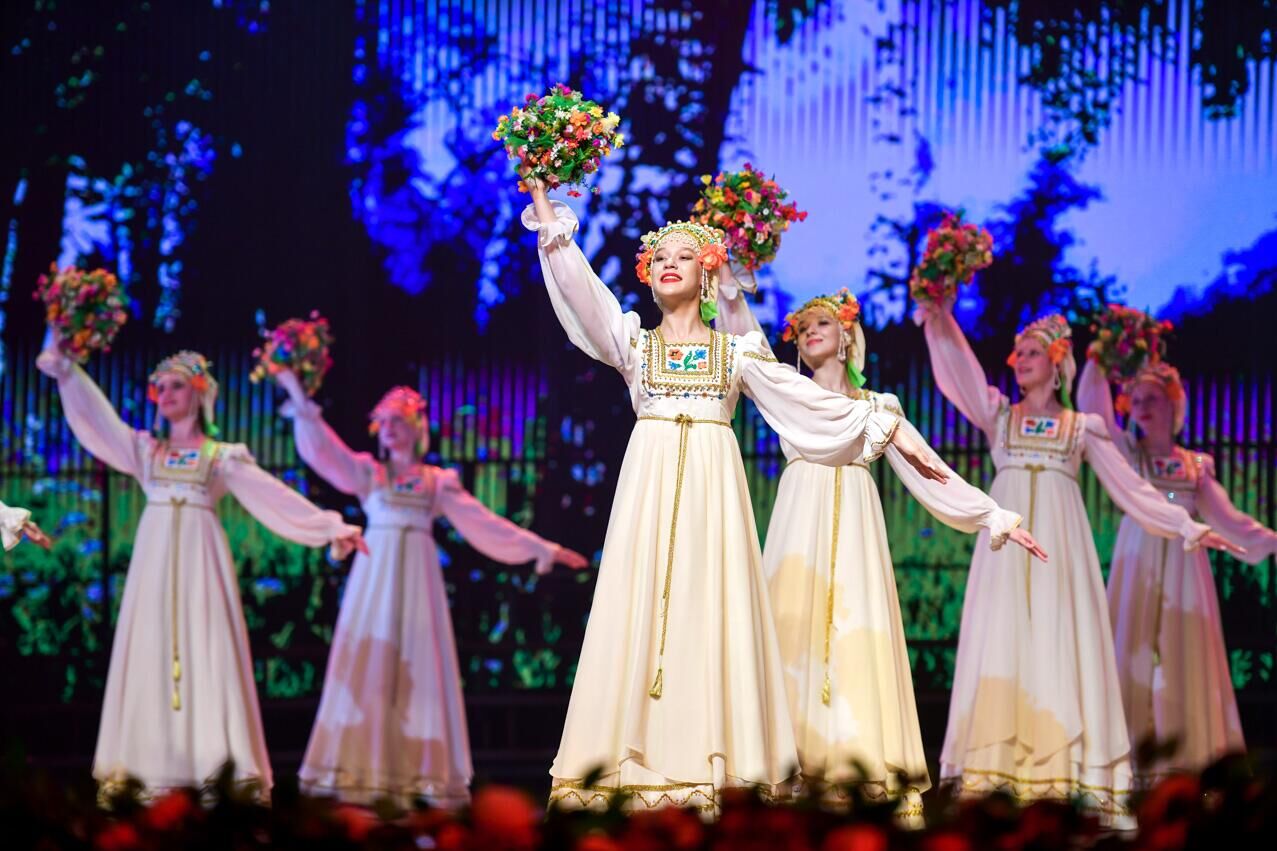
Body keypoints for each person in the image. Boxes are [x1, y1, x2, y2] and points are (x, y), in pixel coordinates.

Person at [524, 178, 949, 813]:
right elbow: (582, 290)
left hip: (712, 502)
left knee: (711, 611)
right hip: (647, 497)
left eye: (684, 256)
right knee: (637, 608)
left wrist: (892, 432)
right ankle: (628, 768)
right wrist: (543, 203)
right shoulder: (634, 344)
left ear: (707, 274)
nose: (669, 263)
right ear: (647, 276)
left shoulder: (737, 353)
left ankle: (710, 766)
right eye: (659, 257)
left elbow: (806, 401)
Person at [716, 282, 1046, 822]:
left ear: (847, 336)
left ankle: (860, 772)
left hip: (855, 528)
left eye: (823, 323)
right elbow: (744, 339)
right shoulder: (788, 391)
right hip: (798, 522)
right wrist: (730, 287)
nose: (810, 332)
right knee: (790, 634)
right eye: (802, 328)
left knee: (857, 638)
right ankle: (787, 775)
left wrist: (992, 515)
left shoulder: (878, 407)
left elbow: (929, 468)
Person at [918, 305, 1241, 826]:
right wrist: (940, 316)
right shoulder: (999, 415)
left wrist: (1184, 525)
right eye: (1018, 353)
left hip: (1059, 554)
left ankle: (1063, 774)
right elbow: (961, 374)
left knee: (1058, 643)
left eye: (1033, 352)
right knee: (1002, 641)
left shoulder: (1081, 427)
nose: (1021, 360)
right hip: (1004, 558)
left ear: (1057, 363)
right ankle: (997, 774)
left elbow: (1131, 487)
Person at [37, 342, 365, 801]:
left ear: (199, 393)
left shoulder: (221, 456)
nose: (167, 394)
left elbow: (272, 496)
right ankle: (149, 769)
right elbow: (98, 420)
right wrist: (67, 370)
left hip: (202, 567)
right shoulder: (144, 451)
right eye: (161, 387)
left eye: (177, 385)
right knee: (150, 653)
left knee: (207, 653)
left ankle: (215, 770)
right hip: (154, 570)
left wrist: (329, 527)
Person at [272, 373, 588, 807]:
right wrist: (297, 393)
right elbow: (325, 452)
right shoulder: (370, 473)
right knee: (370, 662)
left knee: (418, 668)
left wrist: (540, 548)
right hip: (374, 580)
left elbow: (482, 522)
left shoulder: (436, 481)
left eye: (397, 421)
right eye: (383, 422)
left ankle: (417, 776)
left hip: (418, 584)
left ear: (416, 427)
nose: (389, 429)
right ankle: (360, 770)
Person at [1078, 357, 1276, 780]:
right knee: (1130, 648)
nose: (1142, 407)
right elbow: (1094, 413)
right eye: (1136, 400)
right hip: (1138, 560)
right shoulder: (1127, 454)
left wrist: (1270, 540)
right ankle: (1126, 763)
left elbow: (1227, 519)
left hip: (1185, 567)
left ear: (1174, 404)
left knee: (1183, 652)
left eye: (1152, 398)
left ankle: (1187, 761)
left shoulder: (1194, 466)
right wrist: (1098, 358)